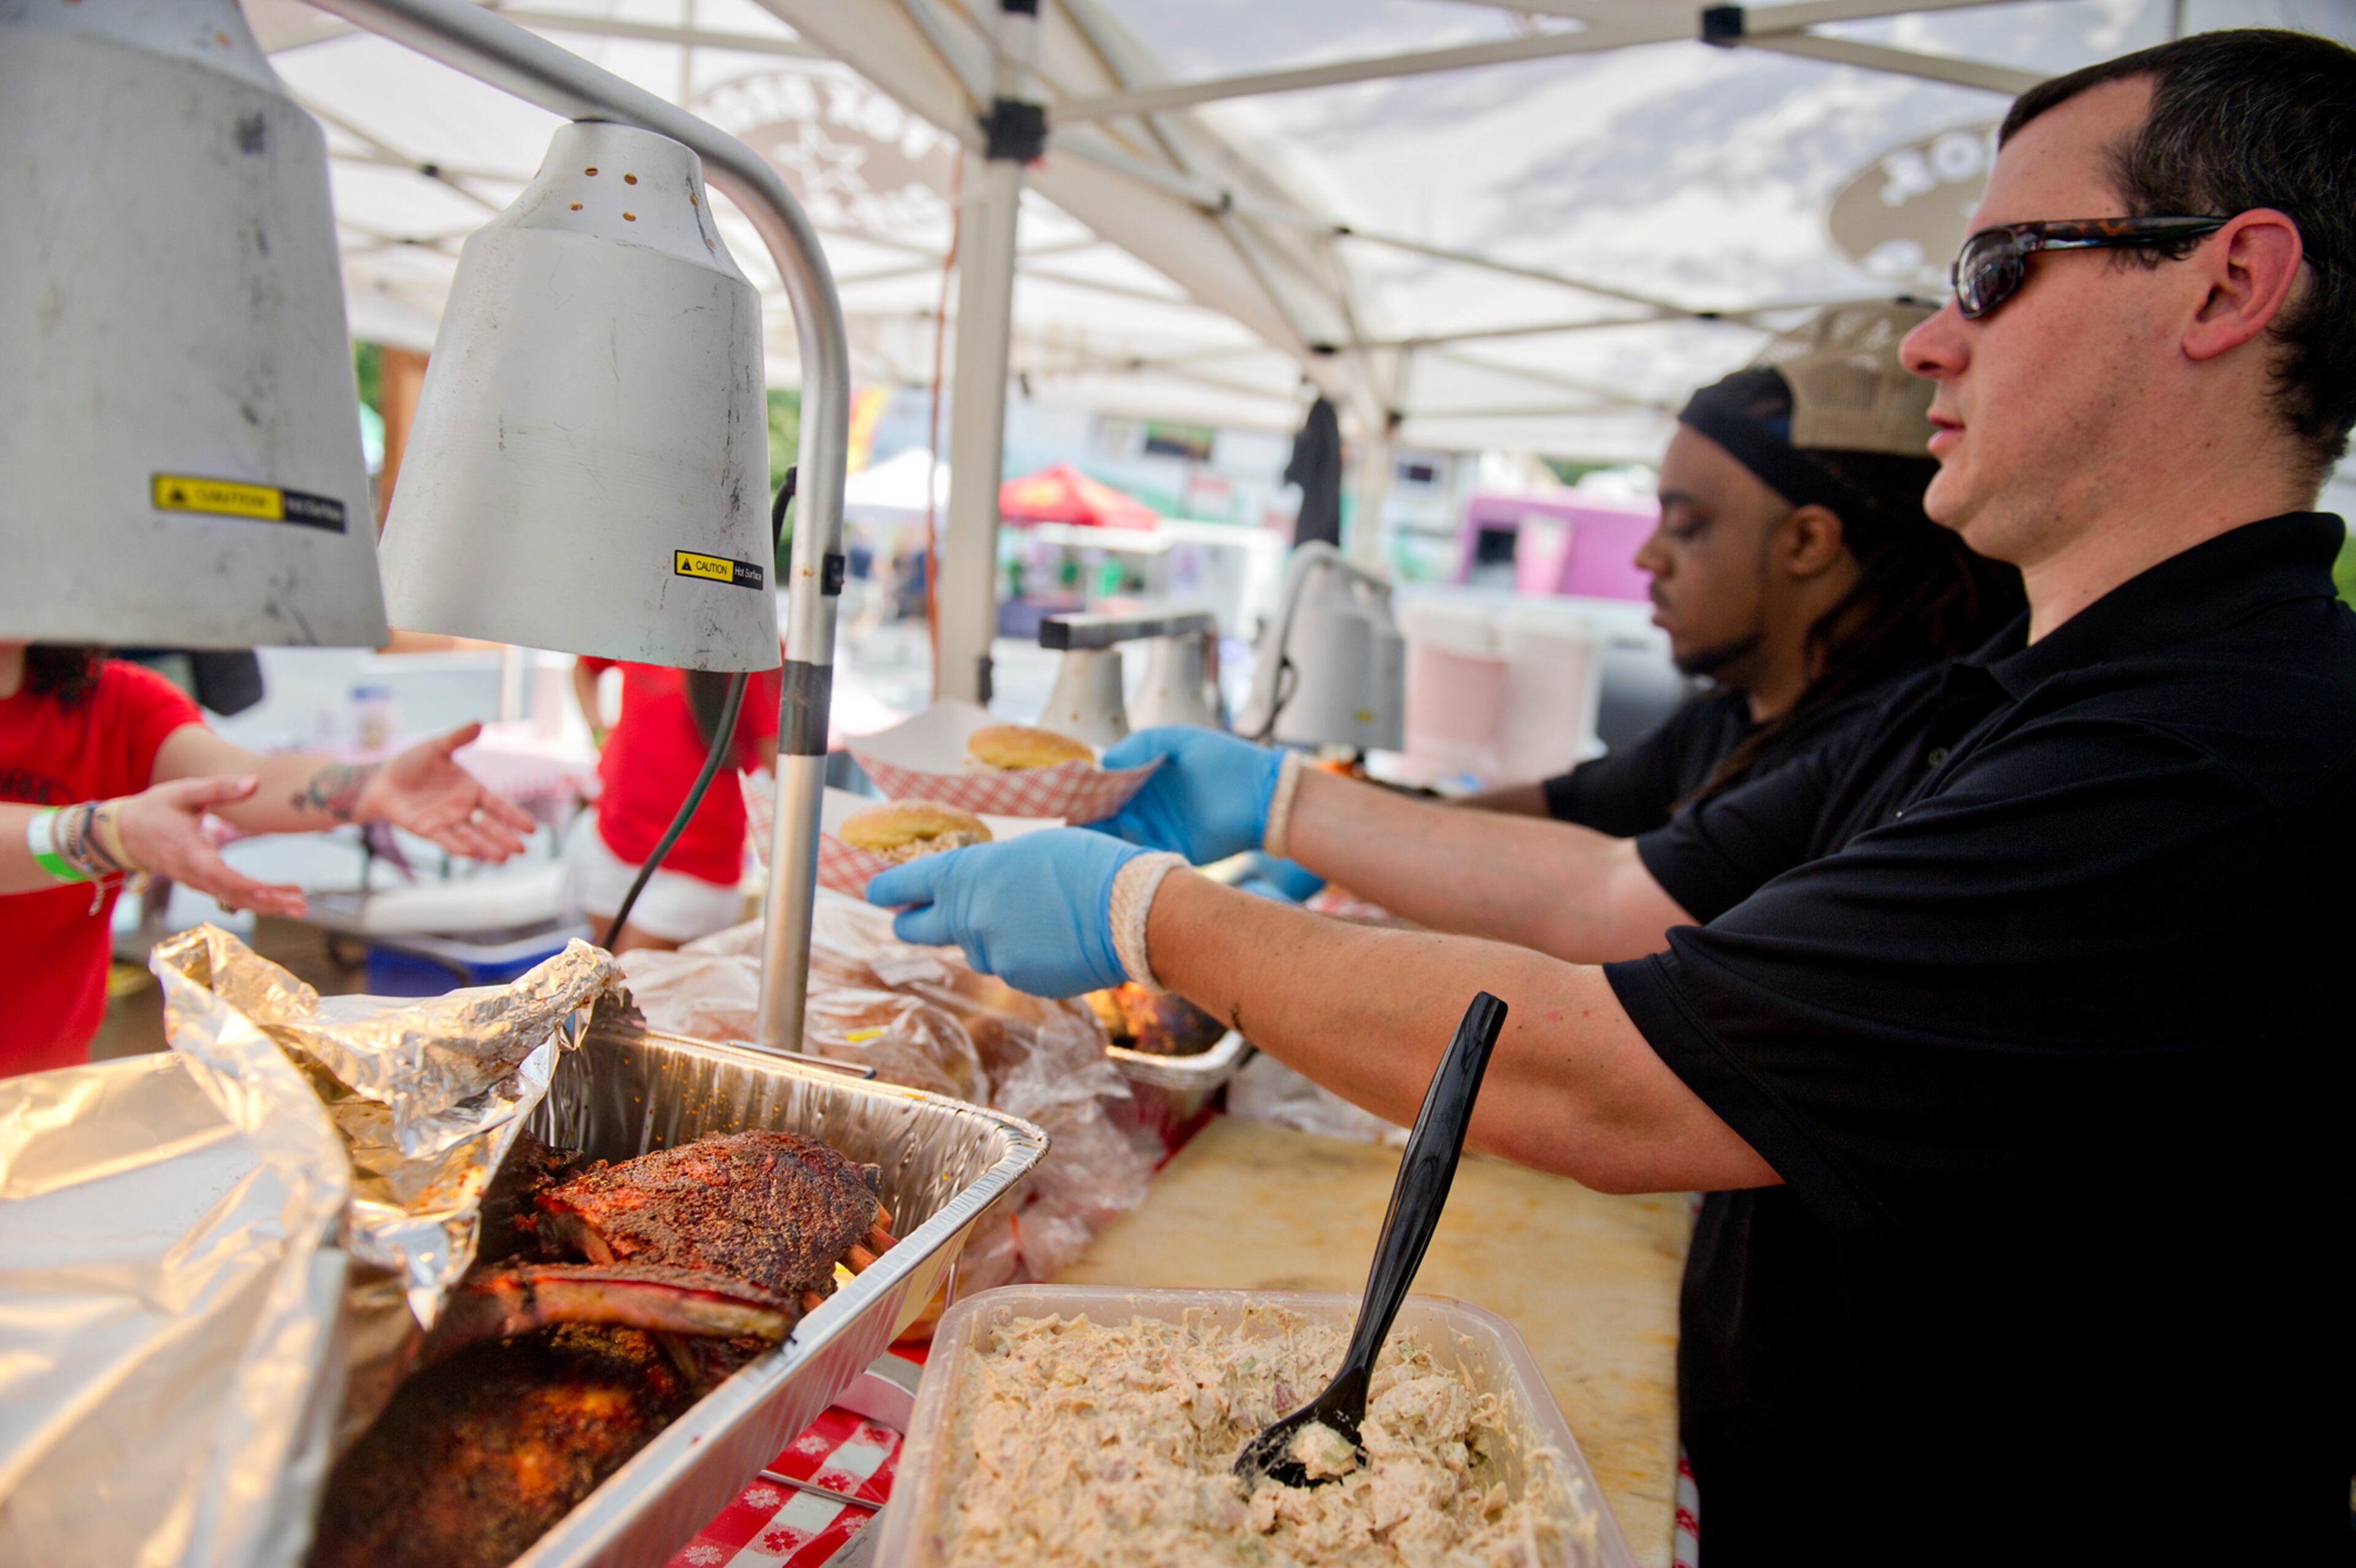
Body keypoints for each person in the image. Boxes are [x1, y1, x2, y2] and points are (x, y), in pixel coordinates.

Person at [861, 30, 2356, 1559]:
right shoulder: (2027, 689)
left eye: (1993, 272)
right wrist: (1276, 804)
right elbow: (1613, 892)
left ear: (2227, 284)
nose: (1929, 342)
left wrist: (1144, 912)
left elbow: (1612, 1076)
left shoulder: (2207, 758)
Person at [1466, 301, 2020, 829]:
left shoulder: (1885, 738)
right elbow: (1569, 806)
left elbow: (1617, 893)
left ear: (1806, 542)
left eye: (1687, 525)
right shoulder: (1727, 715)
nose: (1647, 557)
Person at [0, 642, 537, 1079]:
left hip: (47, 1082)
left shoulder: (113, 700)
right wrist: (102, 833)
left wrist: (370, 785)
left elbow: (241, 781)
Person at [564, 657, 780, 952]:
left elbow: (782, 765)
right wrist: (599, 731)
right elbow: (586, 667)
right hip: (613, 839)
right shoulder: (644, 615)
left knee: (631, 979)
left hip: (694, 865)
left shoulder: (751, 641)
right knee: (603, 970)